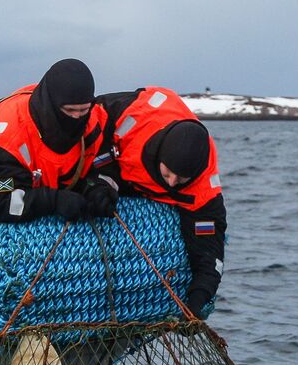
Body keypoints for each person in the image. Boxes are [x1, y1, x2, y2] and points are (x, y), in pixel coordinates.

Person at [85, 86, 226, 317]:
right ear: (160, 155)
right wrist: (103, 179)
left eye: (182, 179)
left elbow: (210, 251)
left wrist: (198, 299)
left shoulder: (204, 190)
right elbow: (90, 120)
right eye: (168, 173)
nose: (172, 183)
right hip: (116, 162)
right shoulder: (131, 114)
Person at [0, 59, 109, 223]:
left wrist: (96, 188)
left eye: (83, 110)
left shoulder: (94, 123)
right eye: (69, 110)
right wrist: (53, 200)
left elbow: (103, 165)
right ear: (52, 104)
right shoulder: (9, 137)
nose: (77, 117)